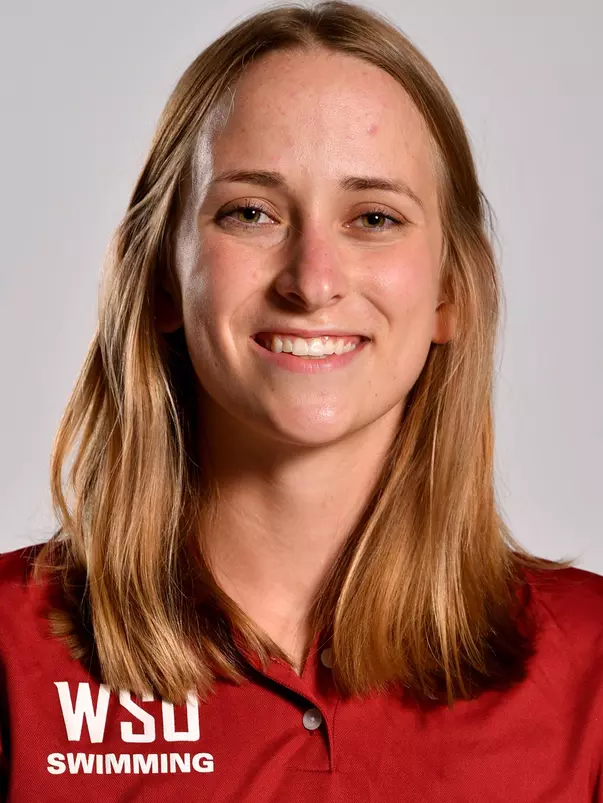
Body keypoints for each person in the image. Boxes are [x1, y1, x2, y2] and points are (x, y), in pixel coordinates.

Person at [1, 1, 601, 800]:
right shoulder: (9, 657)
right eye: (250, 212)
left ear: (449, 292)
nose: (312, 280)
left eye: (374, 217)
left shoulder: (589, 668)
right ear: (161, 280)